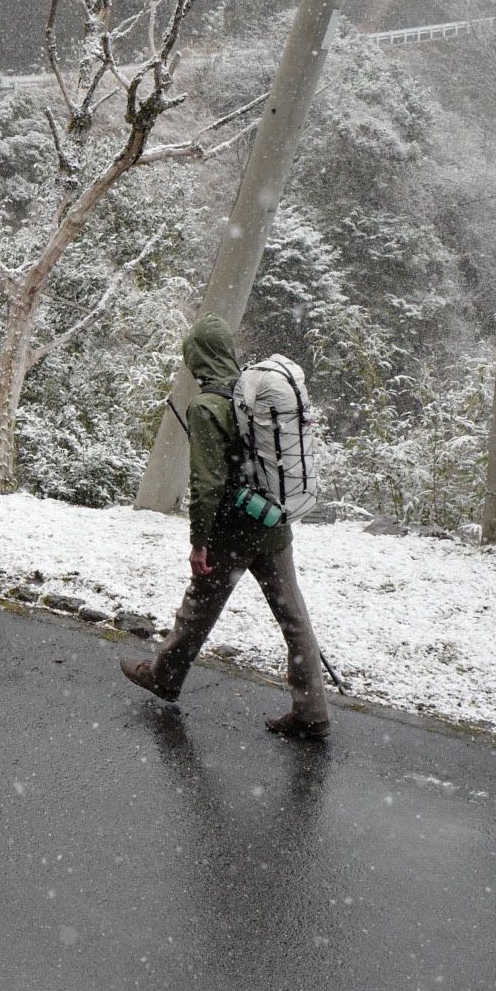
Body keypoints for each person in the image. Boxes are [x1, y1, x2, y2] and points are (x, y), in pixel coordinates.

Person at [119, 315, 332, 739]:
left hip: (233, 530)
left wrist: (199, 542)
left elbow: (207, 482)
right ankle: (313, 711)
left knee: (198, 608)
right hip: (273, 524)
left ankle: (164, 676)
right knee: (294, 618)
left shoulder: (206, 406)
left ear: (196, 357)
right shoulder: (252, 393)